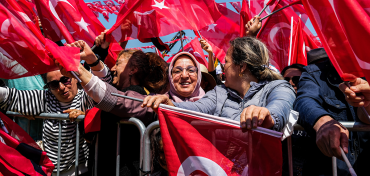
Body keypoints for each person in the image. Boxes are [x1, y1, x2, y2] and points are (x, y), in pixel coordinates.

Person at [57, 40, 169, 176]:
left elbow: (112, 98)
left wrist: (78, 69)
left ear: (133, 70)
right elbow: (104, 87)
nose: (113, 69)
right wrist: (91, 59)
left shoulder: (137, 94)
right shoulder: (121, 91)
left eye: (118, 63)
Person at [143, 37, 295, 132]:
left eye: (226, 62)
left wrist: (266, 116)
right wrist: (170, 105)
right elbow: (197, 108)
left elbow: (279, 107)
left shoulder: (278, 87)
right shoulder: (219, 92)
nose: (223, 67)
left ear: (241, 67)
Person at [0, 71, 94, 176]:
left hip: (80, 170)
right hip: (50, 171)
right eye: (54, 84)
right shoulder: (47, 98)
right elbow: (11, 97)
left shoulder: (86, 97)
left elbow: (106, 95)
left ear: (75, 78)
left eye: (65, 80)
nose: (62, 87)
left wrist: (86, 115)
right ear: (49, 88)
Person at [293, 49, 370, 175]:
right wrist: (322, 121)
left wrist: (367, 105)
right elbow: (304, 100)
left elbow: (365, 117)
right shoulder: (314, 73)